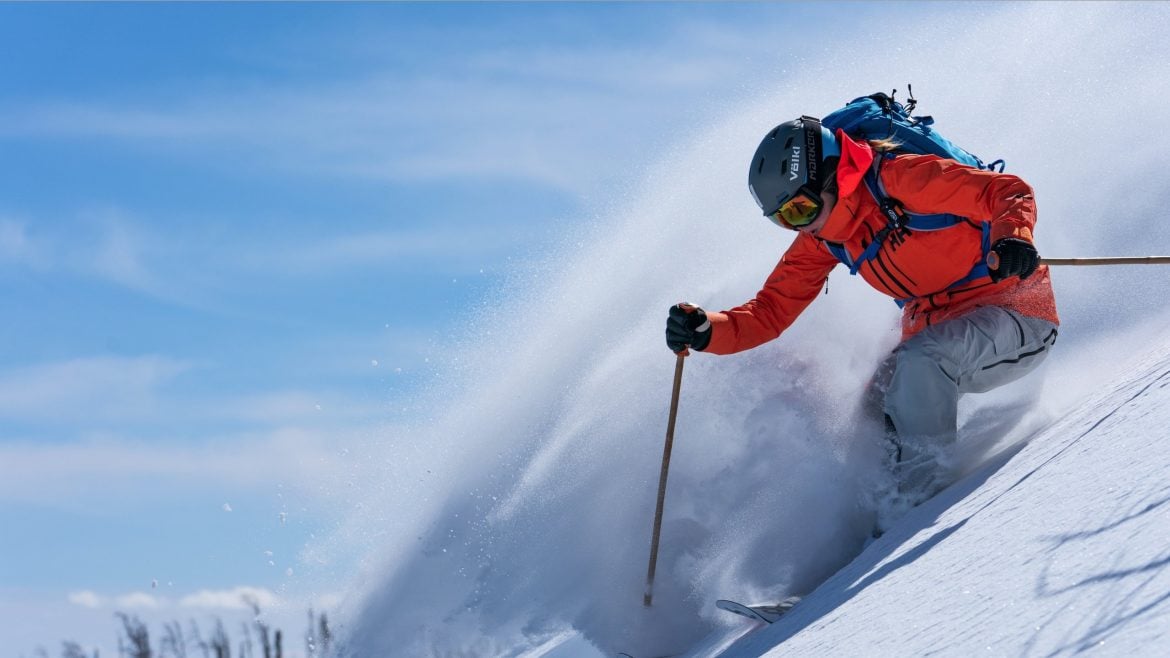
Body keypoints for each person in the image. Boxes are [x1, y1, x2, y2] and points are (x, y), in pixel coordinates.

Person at [665, 115, 1059, 507]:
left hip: (1015, 312)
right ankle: (874, 514)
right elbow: (770, 311)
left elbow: (1007, 192)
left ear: (834, 174)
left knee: (923, 362)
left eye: (801, 210)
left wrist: (1014, 239)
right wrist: (707, 331)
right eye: (784, 220)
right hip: (940, 330)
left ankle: (918, 506)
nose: (802, 227)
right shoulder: (824, 238)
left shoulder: (902, 180)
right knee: (877, 403)